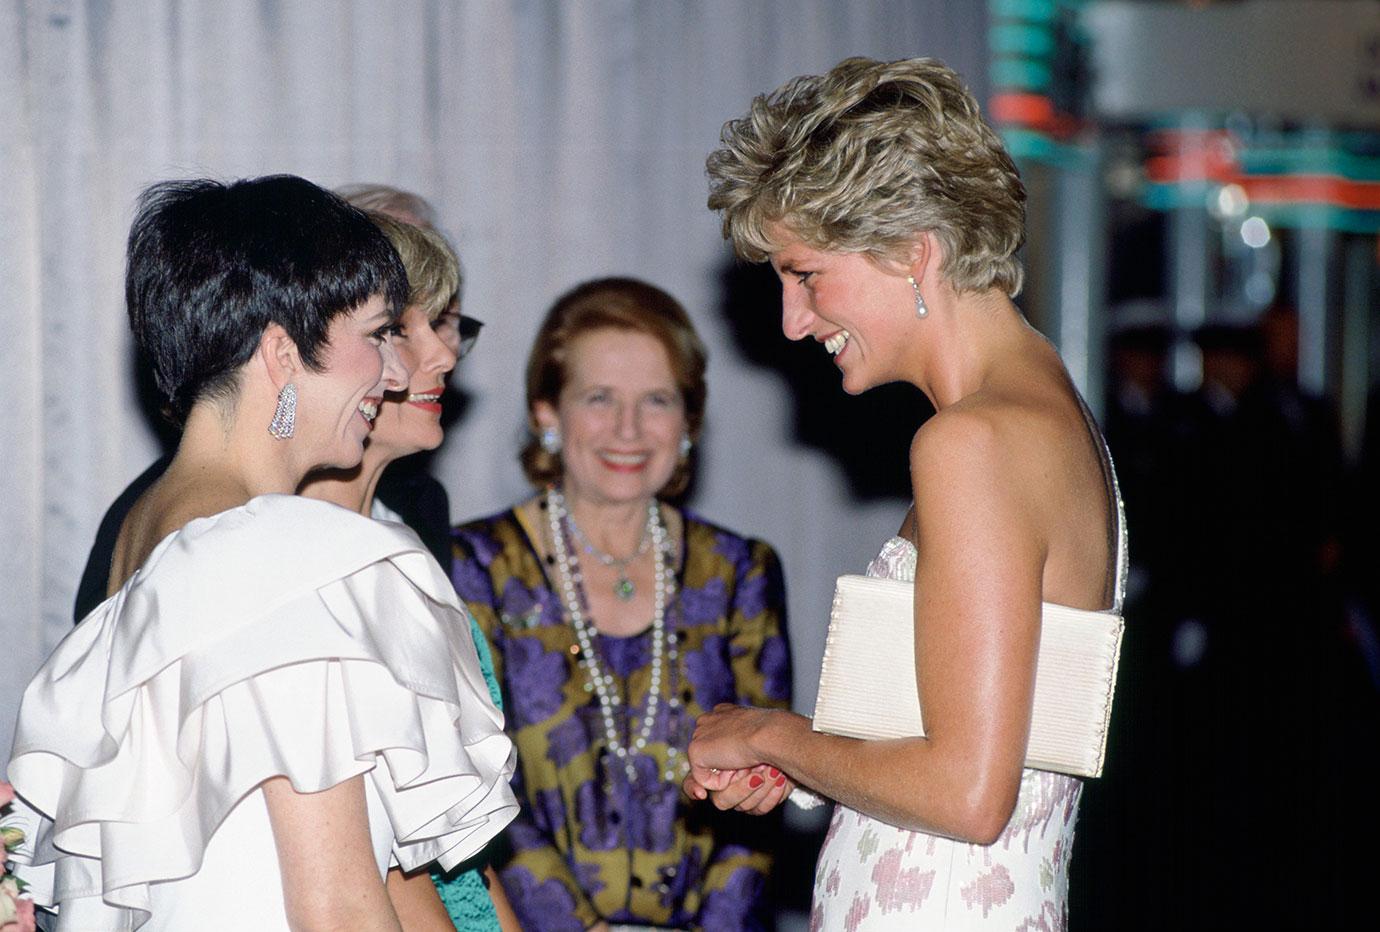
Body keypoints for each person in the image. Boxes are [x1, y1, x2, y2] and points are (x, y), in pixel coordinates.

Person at [683, 57, 1125, 928]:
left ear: (912, 252)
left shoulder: (972, 441)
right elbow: (989, 743)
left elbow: (968, 793)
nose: (792, 320)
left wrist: (769, 734)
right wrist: (811, 763)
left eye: (805, 274)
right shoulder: (1047, 413)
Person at [8, 175, 517, 929]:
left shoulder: (150, 534)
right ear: (282, 352)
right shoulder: (279, 553)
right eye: (379, 335)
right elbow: (341, 908)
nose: (394, 371)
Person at [450, 277, 792, 931]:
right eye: (599, 398)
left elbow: (761, 794)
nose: (629, 429)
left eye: (657, 400)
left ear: (688, 420)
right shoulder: (475, 569)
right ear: (547, 412)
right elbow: (481, 795)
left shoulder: (742, 571)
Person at [297, 211, 518, 931]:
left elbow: (466, 843)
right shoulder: (304, 555)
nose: (444, 357)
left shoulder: (401, 534)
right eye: (400, 329)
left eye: (443, 325)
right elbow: (378, 861)